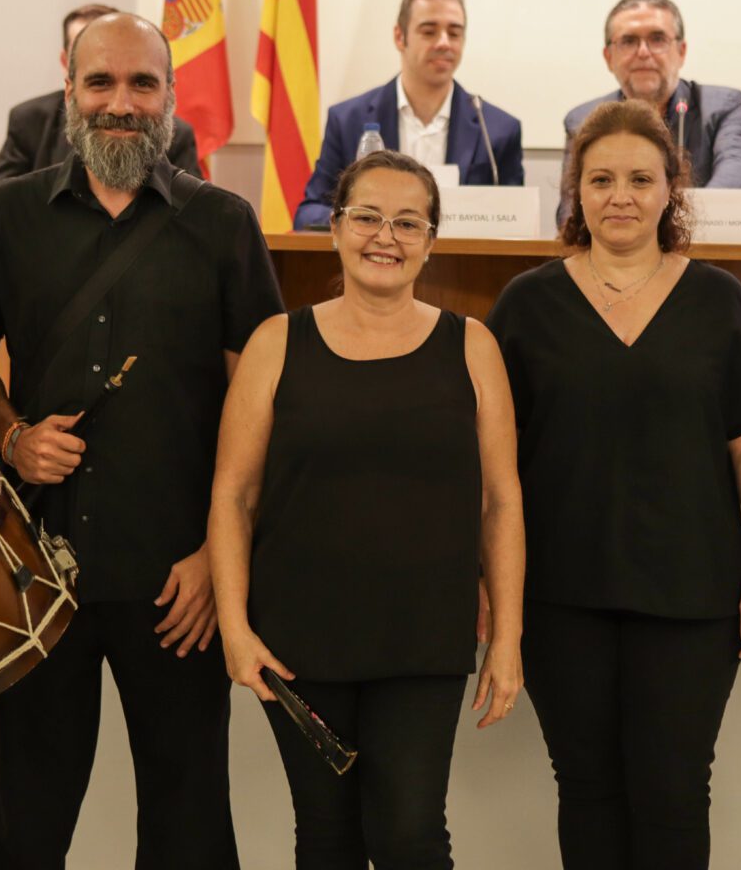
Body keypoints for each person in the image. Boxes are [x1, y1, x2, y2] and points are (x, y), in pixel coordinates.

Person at [0, 12, 282, 869]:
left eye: (143, 83)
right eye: (100, 82)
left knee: (188, 828)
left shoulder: (224, 223)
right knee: (23, 826)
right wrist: (12, 436)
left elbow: (261, 404)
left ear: (170, 97)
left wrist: (216, 556)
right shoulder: (9, 214)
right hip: (34, 575)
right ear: (68, 90)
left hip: (178, 583)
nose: (122, 102)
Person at [486, 99, 741, 869]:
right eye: (601, 180)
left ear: (669, 190)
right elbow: (493, 465)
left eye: (639, 179)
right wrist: (490, 581)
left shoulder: (721, 301)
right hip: (560, 595)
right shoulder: (526, 305)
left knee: (673, 791)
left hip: (691, 597)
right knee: (587, 789)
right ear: (576, 191)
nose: (620, 196)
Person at [208, 149, 525, 869]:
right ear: (334, 228)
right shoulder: (276, 342)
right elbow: (233, 494)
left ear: (431, 241)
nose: (386, 236)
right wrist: (234, 627)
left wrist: (507, 637)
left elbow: (502, 501)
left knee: (410, 837)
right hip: (299, 638)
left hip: (425, 636)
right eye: (368, 217)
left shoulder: (472, 346)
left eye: (408, 223)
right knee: (327, 840)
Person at [292, 0, 524, 229]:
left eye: (454, 33)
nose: (444, 42)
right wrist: (361, 221)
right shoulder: (348, 120)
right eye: (429, 31)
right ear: (399, 37)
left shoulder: (498, 130)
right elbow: (309, 213)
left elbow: (518, 220)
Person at [560, 0, 741, 227]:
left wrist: (664, 225)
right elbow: (571, 210)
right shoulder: (582, 119)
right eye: (628, 41)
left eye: (657, 39)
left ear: (681, 51)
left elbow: (738, 178)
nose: (643, 52)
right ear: (609, 57)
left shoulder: (721, 107)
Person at [0, 3, 200, 186]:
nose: (119, 107)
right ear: (67, 64)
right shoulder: (29, 121)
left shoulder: (177, 135)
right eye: (101, 82)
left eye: (141, 83)